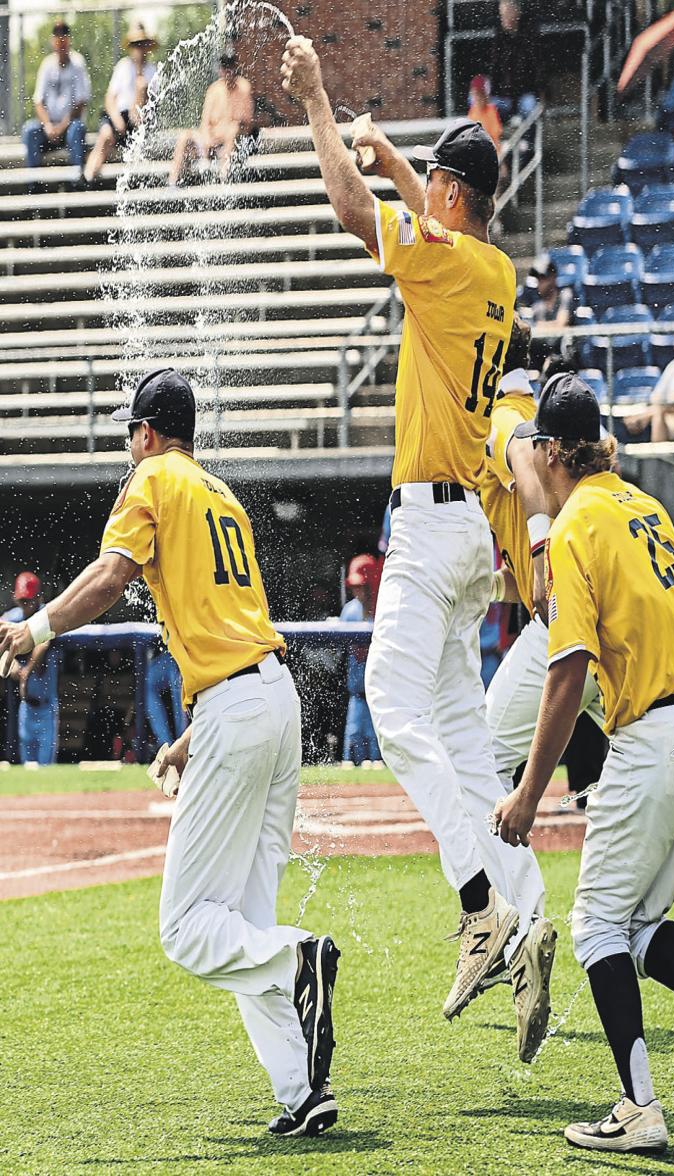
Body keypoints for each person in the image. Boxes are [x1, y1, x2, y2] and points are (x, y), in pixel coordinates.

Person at [281, 38, 555, 1048]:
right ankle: (527, 918)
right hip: (471, 542)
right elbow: (429, 214)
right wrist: (397, 154)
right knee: (472, 746)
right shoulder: (497, 269)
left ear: (449, 191)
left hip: (433, 530)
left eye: (431, 181)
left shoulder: (439, 261)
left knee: (392, 713)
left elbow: (355, 212)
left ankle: (480, 899)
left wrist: (315, 99)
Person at [0, 368, 342, 1139]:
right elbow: (236, 628)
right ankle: (303, 1092)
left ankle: (301, 961)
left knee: (189, 929)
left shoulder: (152, 476)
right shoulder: (221, 493)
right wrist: (192, 734)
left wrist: (37, 629)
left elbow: (111, 578)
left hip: (240, 704)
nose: (130, 447)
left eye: (131, 433)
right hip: (272, 698)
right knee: (241, 924)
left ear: (148, 432)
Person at [493, 374, 674, 1153]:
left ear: (550, 450)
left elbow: (567, 671)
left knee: (595, 928)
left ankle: (639, 1108)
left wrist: (525, 793)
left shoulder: (578, 519)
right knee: (638, 924)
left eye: (534, 449)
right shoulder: (644, 503)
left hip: (654, 738)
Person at [81, 23, 158, 187]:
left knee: (141, 87)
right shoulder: (123, 66)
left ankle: (89, 177)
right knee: (106, 135)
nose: (139, 49)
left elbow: (148, 108)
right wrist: (116, 120)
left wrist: (140, 88)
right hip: (118, 116)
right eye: (136, 45)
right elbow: (110, 98)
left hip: (138, 120)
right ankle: (88, 176)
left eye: (141, 45)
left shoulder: (152, 71)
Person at [167, 51, 255, 186]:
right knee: (185, 136)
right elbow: (205, 122)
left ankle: (224, 180)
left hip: (231, 141)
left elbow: (245, 123)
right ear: (220, 70)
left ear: (236, 68)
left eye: (231, 66)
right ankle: (173, 183)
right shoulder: (213, 89)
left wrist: (225, 135)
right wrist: (207, 141)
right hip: (212, 140)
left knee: (233, 130)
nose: (228, 71)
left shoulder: (244, 87)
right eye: (225, 67)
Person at [1, 572, 60, 765]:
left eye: (29, 600)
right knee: (27, 767)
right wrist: (10, 663)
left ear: (39, 598)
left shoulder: (46, 614)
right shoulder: (12, 618)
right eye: (22, 600)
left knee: (46, 768)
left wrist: (26, 672)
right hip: (26, 706)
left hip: (46, 707)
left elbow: (44, 643)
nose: (25, 605)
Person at [22, 20, 90, 180]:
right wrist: (48, 125)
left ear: (68, 40)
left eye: (64, 37)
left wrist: (61, 127)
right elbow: (38, 101)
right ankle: (34, 185)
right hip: (49, 126)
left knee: (77, 129)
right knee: (29, 130)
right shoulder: (47, 64)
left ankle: (75, 183)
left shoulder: (78, 63)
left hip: (68, 126)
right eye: (57, 37)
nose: (61, 41)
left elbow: (81, 102)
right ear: (53, 41)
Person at [339, 553, 380, 765]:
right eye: (355, 586)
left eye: (362, 586)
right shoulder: (350, 610)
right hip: (357, 690)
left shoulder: (384, 610)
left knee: (377, 747)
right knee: (353, 738)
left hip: (380, 693)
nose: (357, 591)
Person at [489, 1, 541, 125]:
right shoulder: (498, 39)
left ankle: (528, 143)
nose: (504, 18)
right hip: (503, 96)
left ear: (517, 14)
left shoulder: (529, 37)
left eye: (507, 14)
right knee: (485, 108)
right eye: (502, 15)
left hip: (525, 93)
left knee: (530, 107)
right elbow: (494, 70)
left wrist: (541, 91)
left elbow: (538, 68)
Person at [144, 645, 187, 756]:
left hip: (185, 655)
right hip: (168, 656)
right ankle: (165, 745)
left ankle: (182, 744)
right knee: (148, 681)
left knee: (176, 679)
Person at [467, 74, 503, 152]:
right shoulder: (472, 111)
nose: (478, 98)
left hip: (491, 151)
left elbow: (495, 137)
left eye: (480, 94)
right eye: (476, 94)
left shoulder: (491, 110)